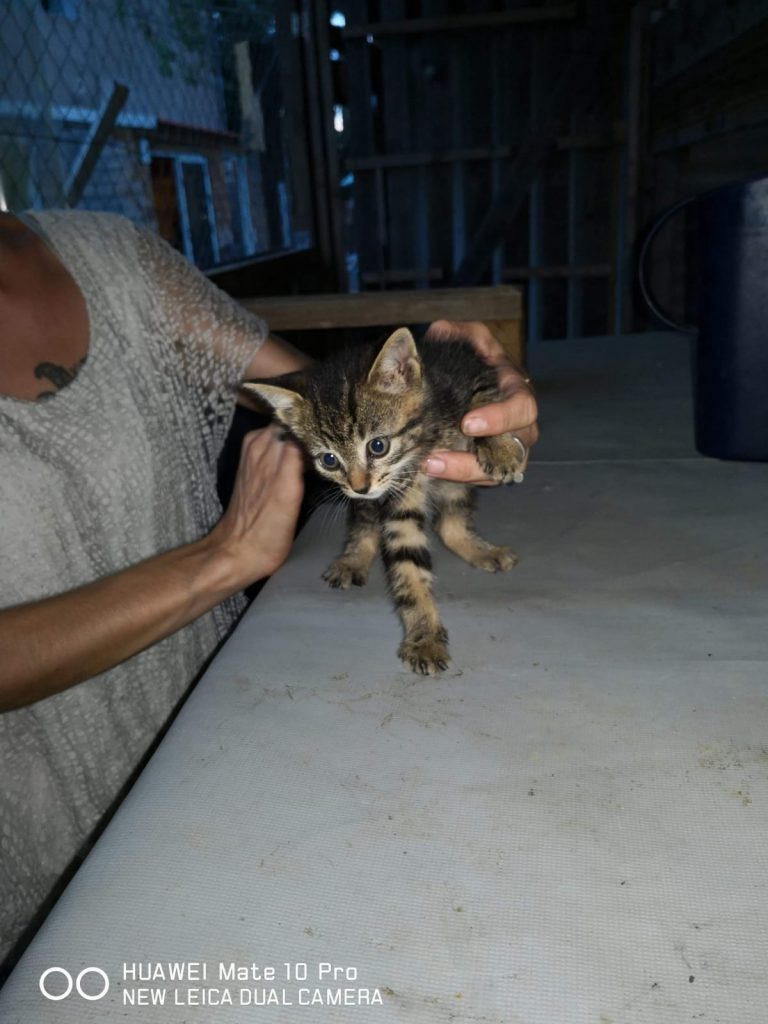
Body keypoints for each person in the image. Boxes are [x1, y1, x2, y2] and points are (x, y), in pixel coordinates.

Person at [0, 208, 538, 969]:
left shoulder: (108, 252)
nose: (355, 485)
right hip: (31, 822)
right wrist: (223, 557)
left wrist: (474, 398)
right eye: (337, 470)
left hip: (223, 712)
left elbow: (318, 393)